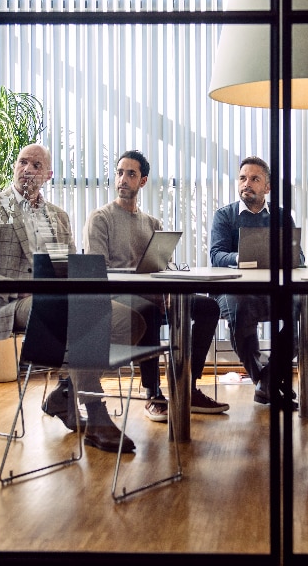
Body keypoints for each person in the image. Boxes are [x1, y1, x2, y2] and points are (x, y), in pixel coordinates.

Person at [0, 143, 147, 454]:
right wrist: (22, 288)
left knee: (132, 321)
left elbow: (69, 267)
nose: (27, 169)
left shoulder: (58, 217)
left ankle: (65, 392)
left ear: (48, 175)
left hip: (59, 302)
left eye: (36, 165)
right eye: (23, 162)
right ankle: (95, 414)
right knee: (80, 316)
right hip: (9, 302)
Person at [84, 150, 229, 422]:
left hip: (153, 294)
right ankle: (153, 392)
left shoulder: (152, 223)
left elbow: (162, 267)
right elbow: (98, 272)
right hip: (118, 298)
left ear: (143, 181)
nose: (123, 179)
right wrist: (150, 292)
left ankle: (187, 384)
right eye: (119, 173)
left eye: (131, 174)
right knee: (148, 308)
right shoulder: (100, 218)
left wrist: (168, 291)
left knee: (209, 307)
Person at [210, 156, 301, 409]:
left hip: (270, 291)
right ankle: (267, 381)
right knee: (240, 307)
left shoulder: (281, 216)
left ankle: (267, 381)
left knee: (300, 306)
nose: (246, 184)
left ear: (267, 187)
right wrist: (243, 257)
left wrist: (285, 257)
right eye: (242, 178)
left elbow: (299, 257)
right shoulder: (225, 216)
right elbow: (216, 256)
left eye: (254, 179)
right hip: (233, 291)